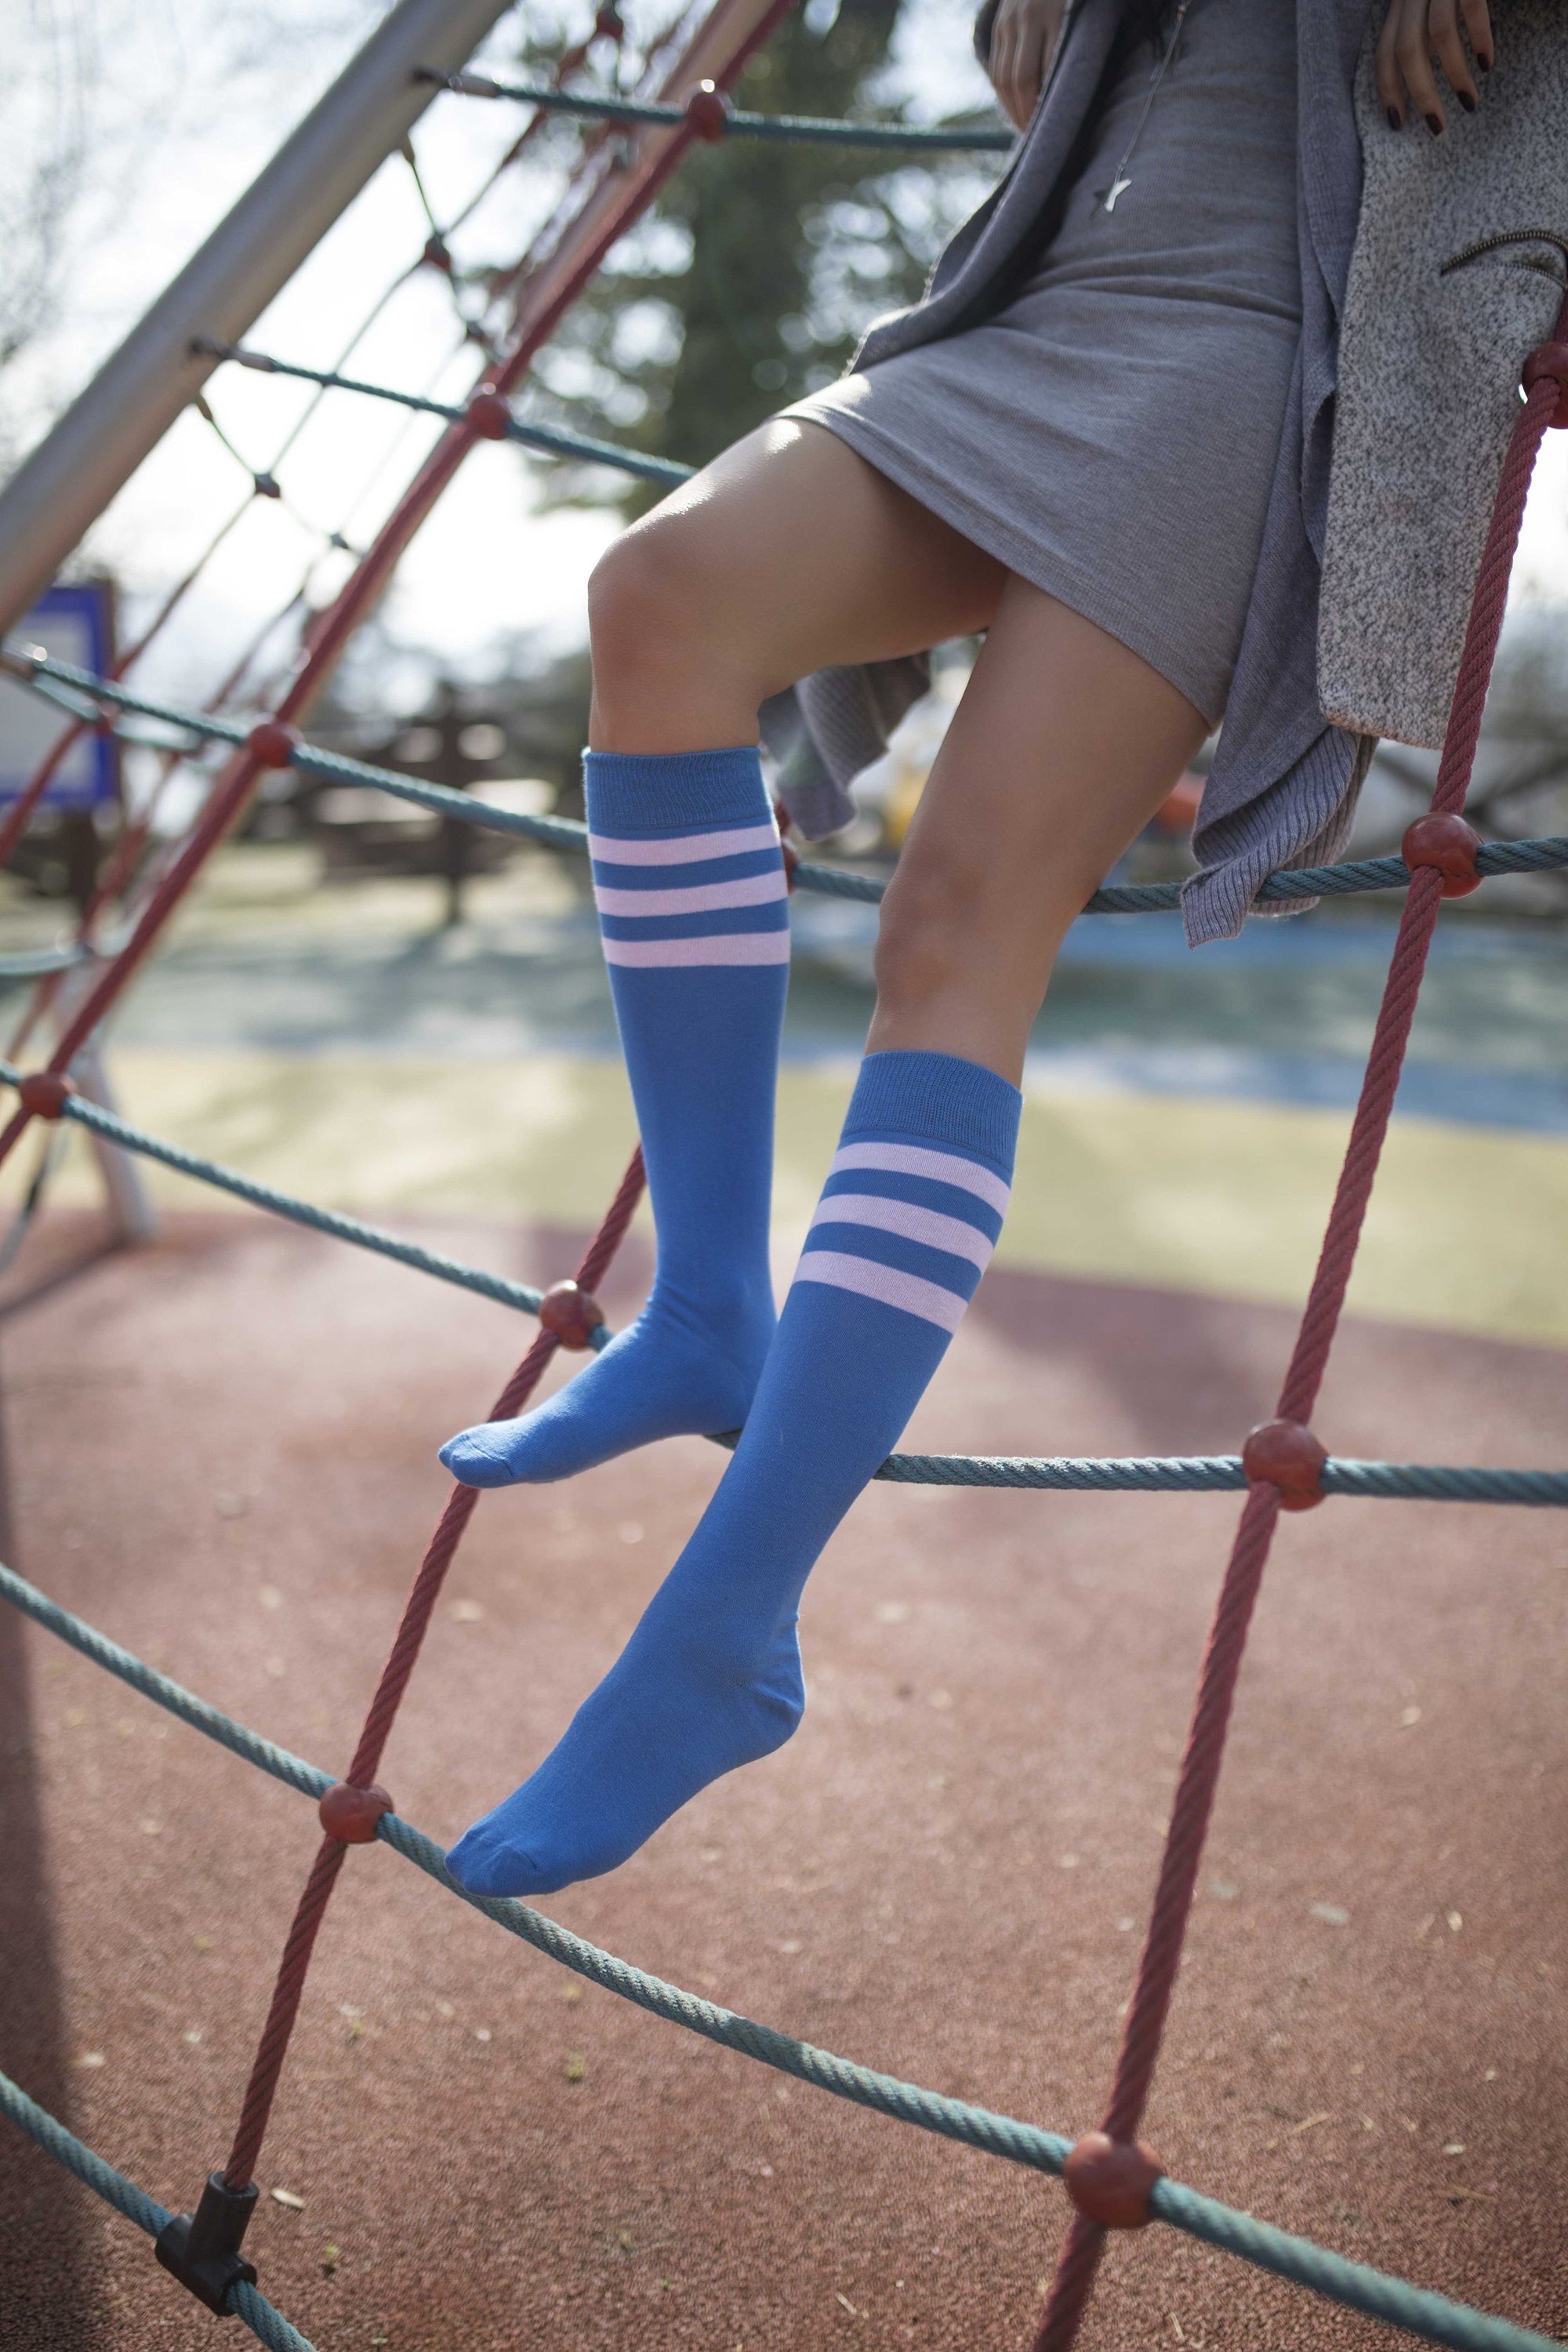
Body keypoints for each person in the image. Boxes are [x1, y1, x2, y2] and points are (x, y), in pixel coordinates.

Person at [436, 0, 1551, 1902]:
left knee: (959, 928)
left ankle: (727, 1627)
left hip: (1255, 358)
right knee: (663, 601)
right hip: (1039, 290)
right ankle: (706, 1302)